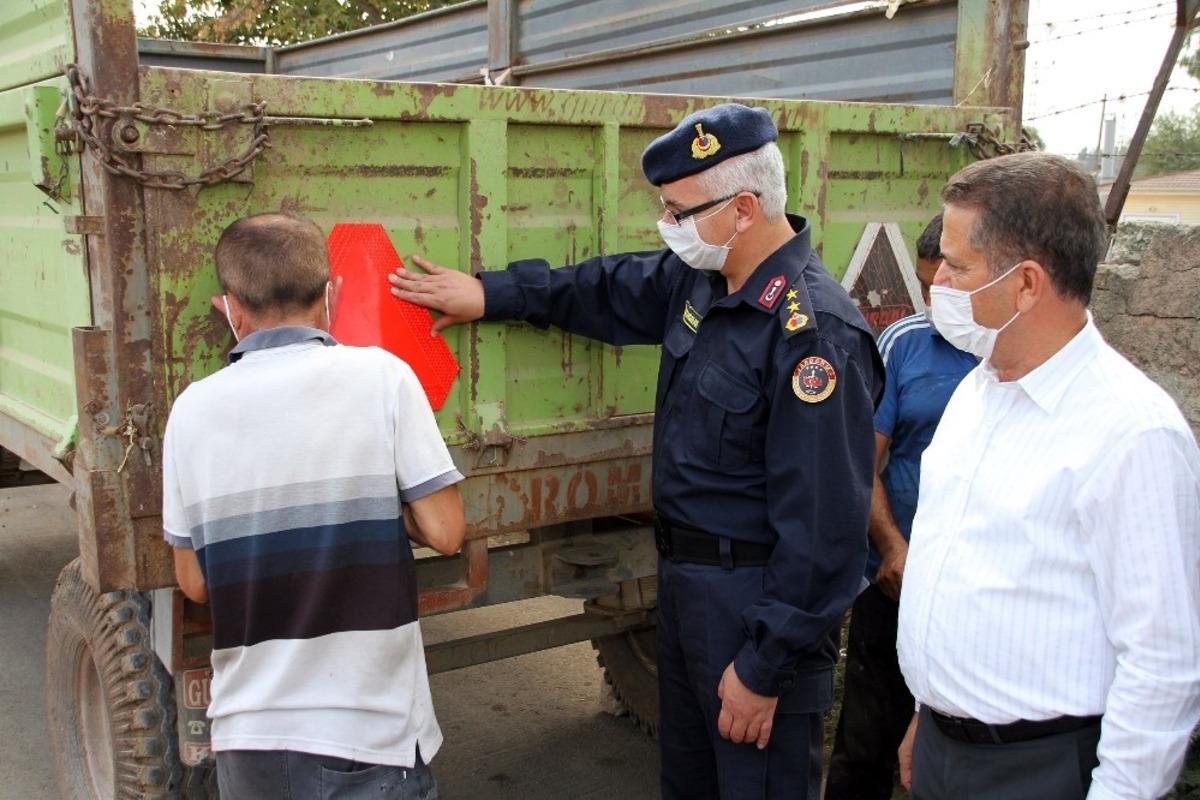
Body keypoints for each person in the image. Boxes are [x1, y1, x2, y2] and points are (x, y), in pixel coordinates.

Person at [389, 103, 884, 799]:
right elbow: (603, 288)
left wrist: (764, 667)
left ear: (743, 209)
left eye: (679, 211)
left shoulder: (812, 333)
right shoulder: (703, 279)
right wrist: (489, 294)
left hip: (753, 606)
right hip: (683, 587)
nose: (667, 226)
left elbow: (826, 533)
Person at [894, 152, 1200, 799]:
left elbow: (1163, 664)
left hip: (1038, 770)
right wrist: (934, 712)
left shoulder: (1131, 432)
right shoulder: (981, 389)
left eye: (957, 265)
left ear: (1027, 283)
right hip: (948, 751)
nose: (938, 280)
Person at [162, 213, 465, 799]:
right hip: (369, 742)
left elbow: (195, 582)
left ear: (230, 308)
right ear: (333, 293)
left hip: (246, 742)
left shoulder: (191, 412)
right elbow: (447, 531)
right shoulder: (382, 379)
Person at [825, 214, 977, 799]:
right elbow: (863, 459)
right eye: (926, 283)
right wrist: (892, 547)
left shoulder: (1023, 361)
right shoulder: (905, 343)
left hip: (975, 600)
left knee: (953, 756)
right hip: (897, 584)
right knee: (864, 747)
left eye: (950, 282)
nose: (938, 298)